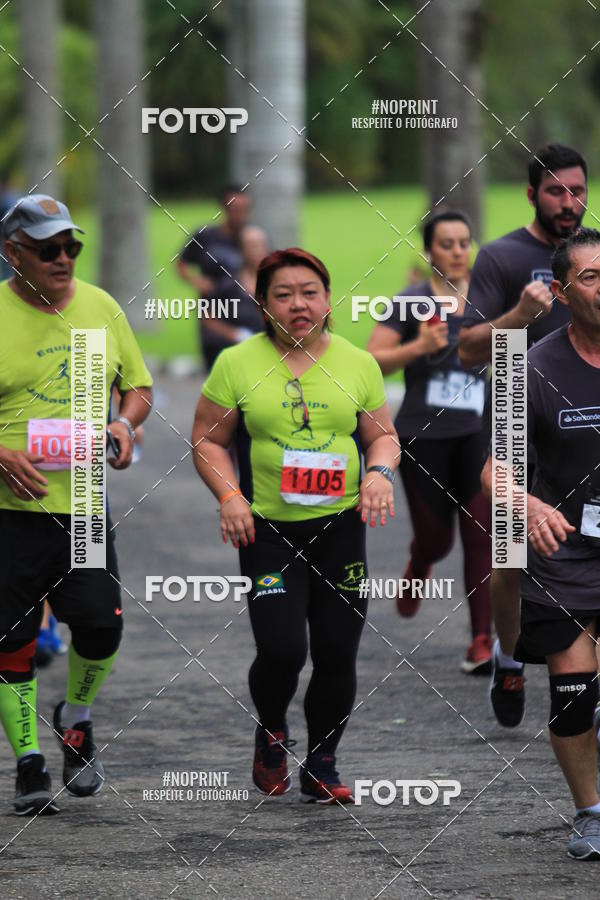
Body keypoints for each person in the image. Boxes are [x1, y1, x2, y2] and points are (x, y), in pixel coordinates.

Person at [192, 248, 399, 804]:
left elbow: (383, 435)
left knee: (336, 651)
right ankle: (272, 729)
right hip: (267, 534)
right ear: (263, 305)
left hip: (340, 529)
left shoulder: (358, 362)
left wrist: (379, 474)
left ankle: (323, 762)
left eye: (310, 292)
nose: (299, 304)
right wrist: (230, 496)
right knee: (282, 649)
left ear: (328, 300)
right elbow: (208, 440)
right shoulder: (236, 363)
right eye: (283, 294)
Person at [0, 194, 153, 815]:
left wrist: (123, 424)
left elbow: (137, 385)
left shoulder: (101, 308)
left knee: (100, 625)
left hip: (84, 503)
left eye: (71, 247)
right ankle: (30, 763)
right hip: (9, 512)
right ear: (14, 255)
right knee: (9, 639)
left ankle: (77, 717)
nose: (64, 259)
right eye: (48, 250)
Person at [458, 143, 588, 726]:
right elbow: (466, 349)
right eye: (557, 190)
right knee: (509, 562)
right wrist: (516, 318)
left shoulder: (594, 252)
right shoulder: (503, 257)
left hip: (587, 416)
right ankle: (509, 657)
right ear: (532, 193)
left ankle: (581, 681)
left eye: (578, 190)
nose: (570, 202)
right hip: (521, 408)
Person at [481, 228, 600, 859]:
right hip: (564, 550)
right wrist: (524, 501)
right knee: (575, 697)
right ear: (559, 292)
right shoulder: (523, 367)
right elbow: (493, 468)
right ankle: (591, 812)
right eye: (590, 277)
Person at [367, 210, 492, 673]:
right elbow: (370, 362)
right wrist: (417, 348)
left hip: (480, 433)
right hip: (424, 435)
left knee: (482, 534)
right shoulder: (411, 302)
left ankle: (482, 640)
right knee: (438, 540)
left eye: (464, 242)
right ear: (429, 251)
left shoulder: (489, 298)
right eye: (447, 243)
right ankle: (421, 561)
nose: (458, 251)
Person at [176, 184, 252, 363]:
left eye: (245, 209)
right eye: (236, 209)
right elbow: (181, 264)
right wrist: (198, 281)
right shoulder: (206, 236)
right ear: (224, 209)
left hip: (246, 311)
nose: (241, 214)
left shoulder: (252, 239)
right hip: (214, 310)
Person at [196, 224, 268, 369]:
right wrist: (235, 334)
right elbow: (207, 317)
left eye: (261, 245)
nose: (257, 250)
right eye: (252, 245)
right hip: (235, 356)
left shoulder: (276, 283)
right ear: (241, 249)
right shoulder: (227, 285)